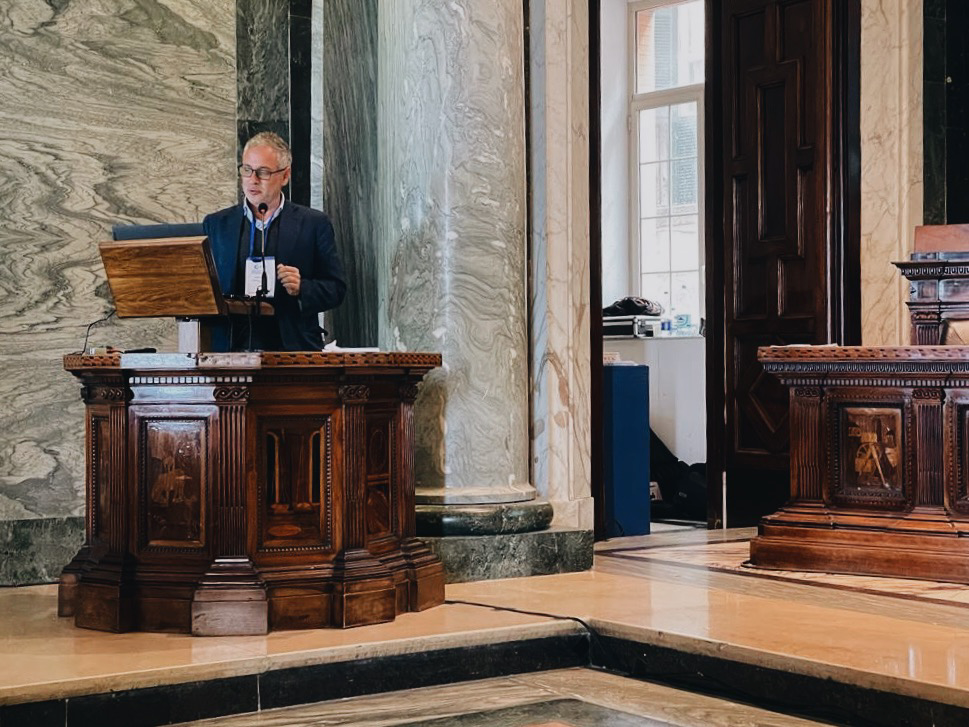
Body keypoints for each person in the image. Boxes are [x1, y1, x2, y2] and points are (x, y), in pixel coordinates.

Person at [203, 132, 346, 351]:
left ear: (285, 176)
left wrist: (303, 288)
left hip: (292, 349)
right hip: (229, 350)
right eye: (247, 170)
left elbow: (336, 288)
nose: (253, 179)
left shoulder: (313, 223)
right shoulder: (217, 225)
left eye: (263, 172)